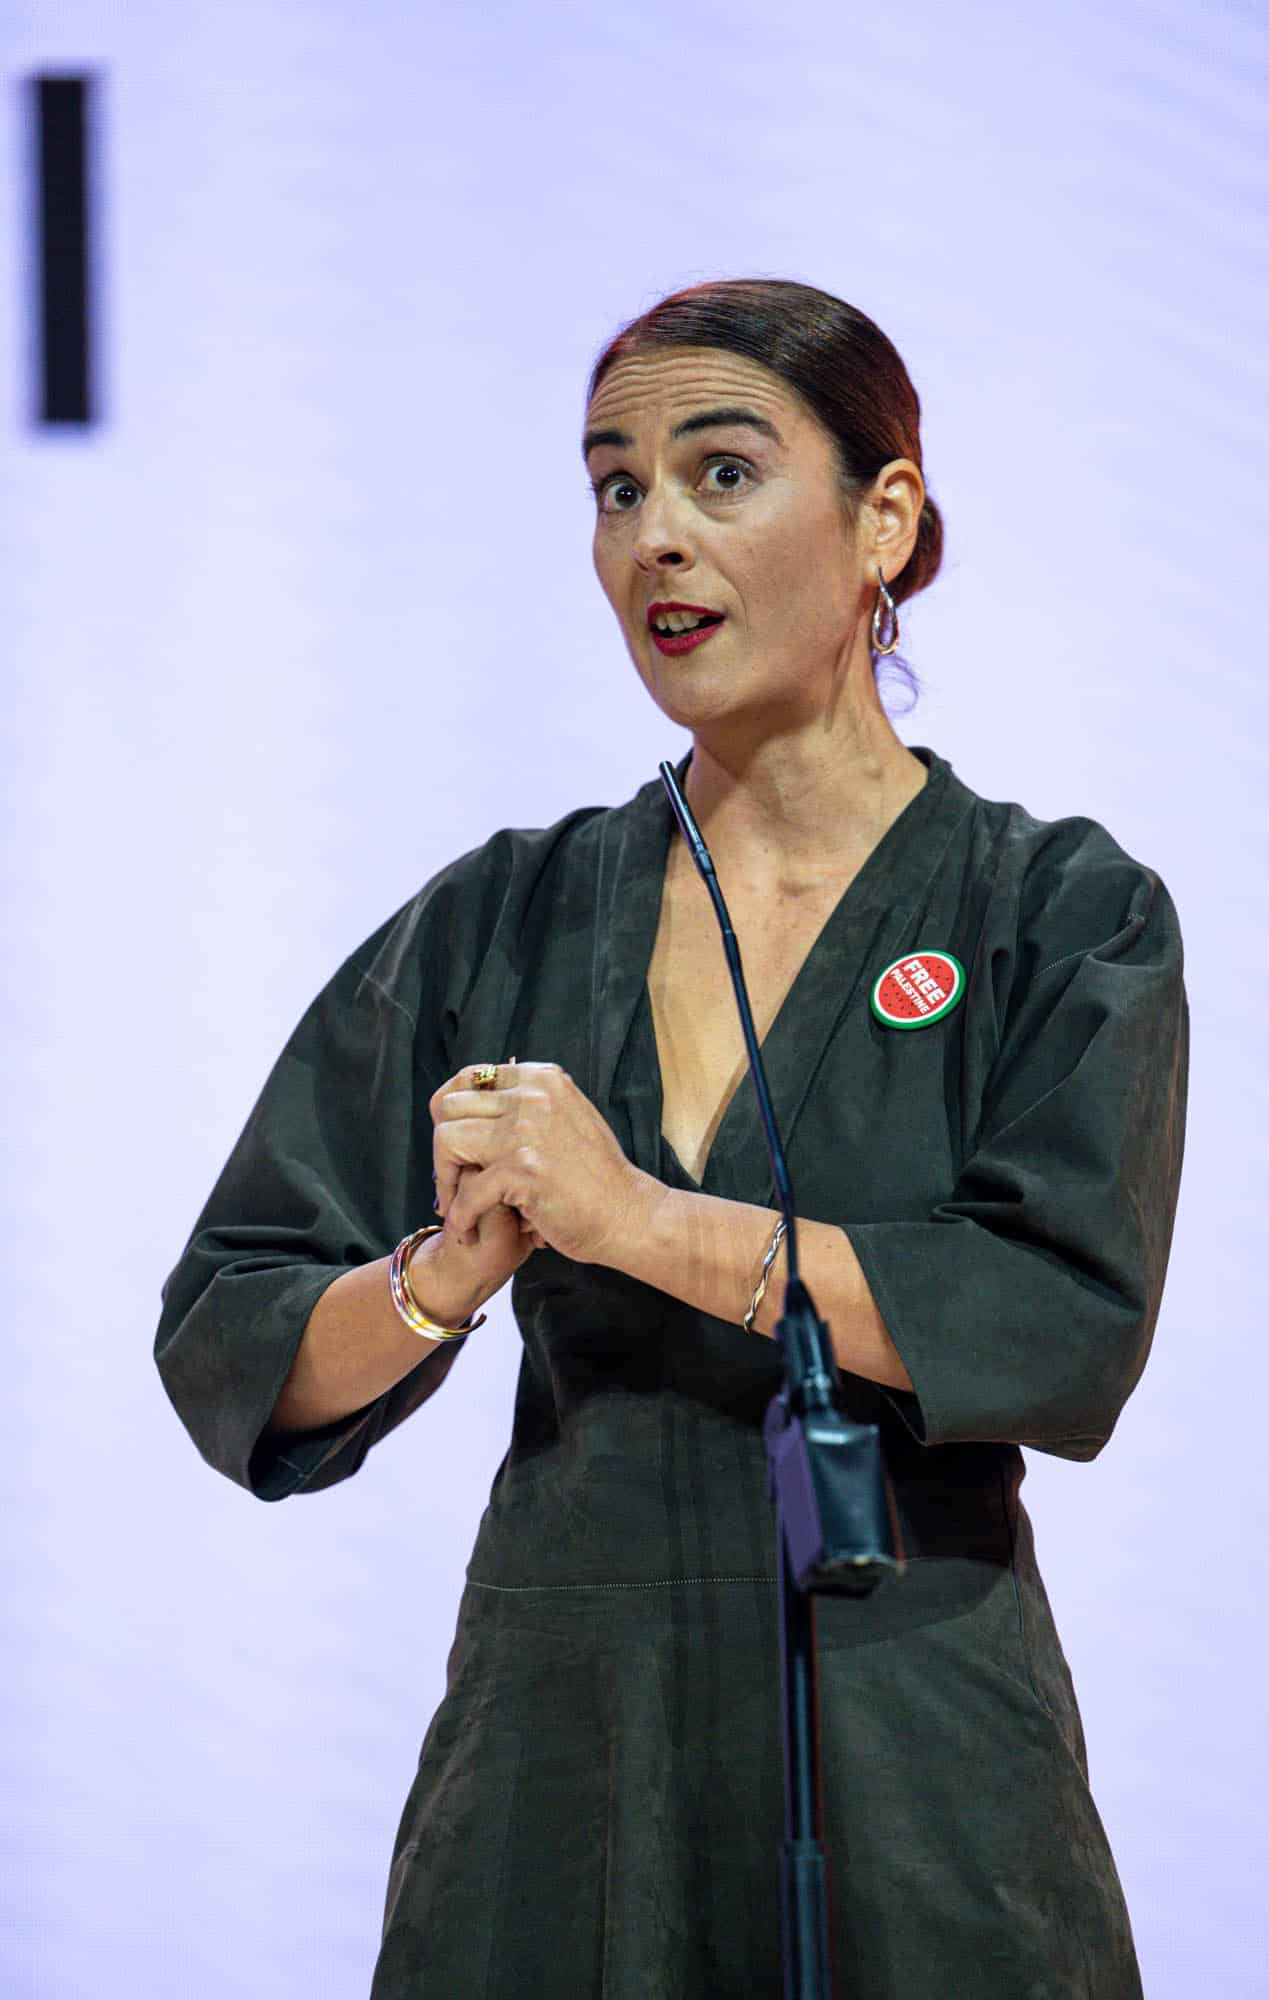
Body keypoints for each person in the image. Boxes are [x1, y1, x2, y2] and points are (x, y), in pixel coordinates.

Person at [155, 277, 1189, 1998]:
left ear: (883, 518)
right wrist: (438, 1280)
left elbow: (1061, 1318)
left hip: (916, 1746)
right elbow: (232, 1335)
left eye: (722, 473)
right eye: (615, 488)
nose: (655, 538)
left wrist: (638, 1221)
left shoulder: (1056, 909)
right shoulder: (509, 913)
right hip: (566, 1754)